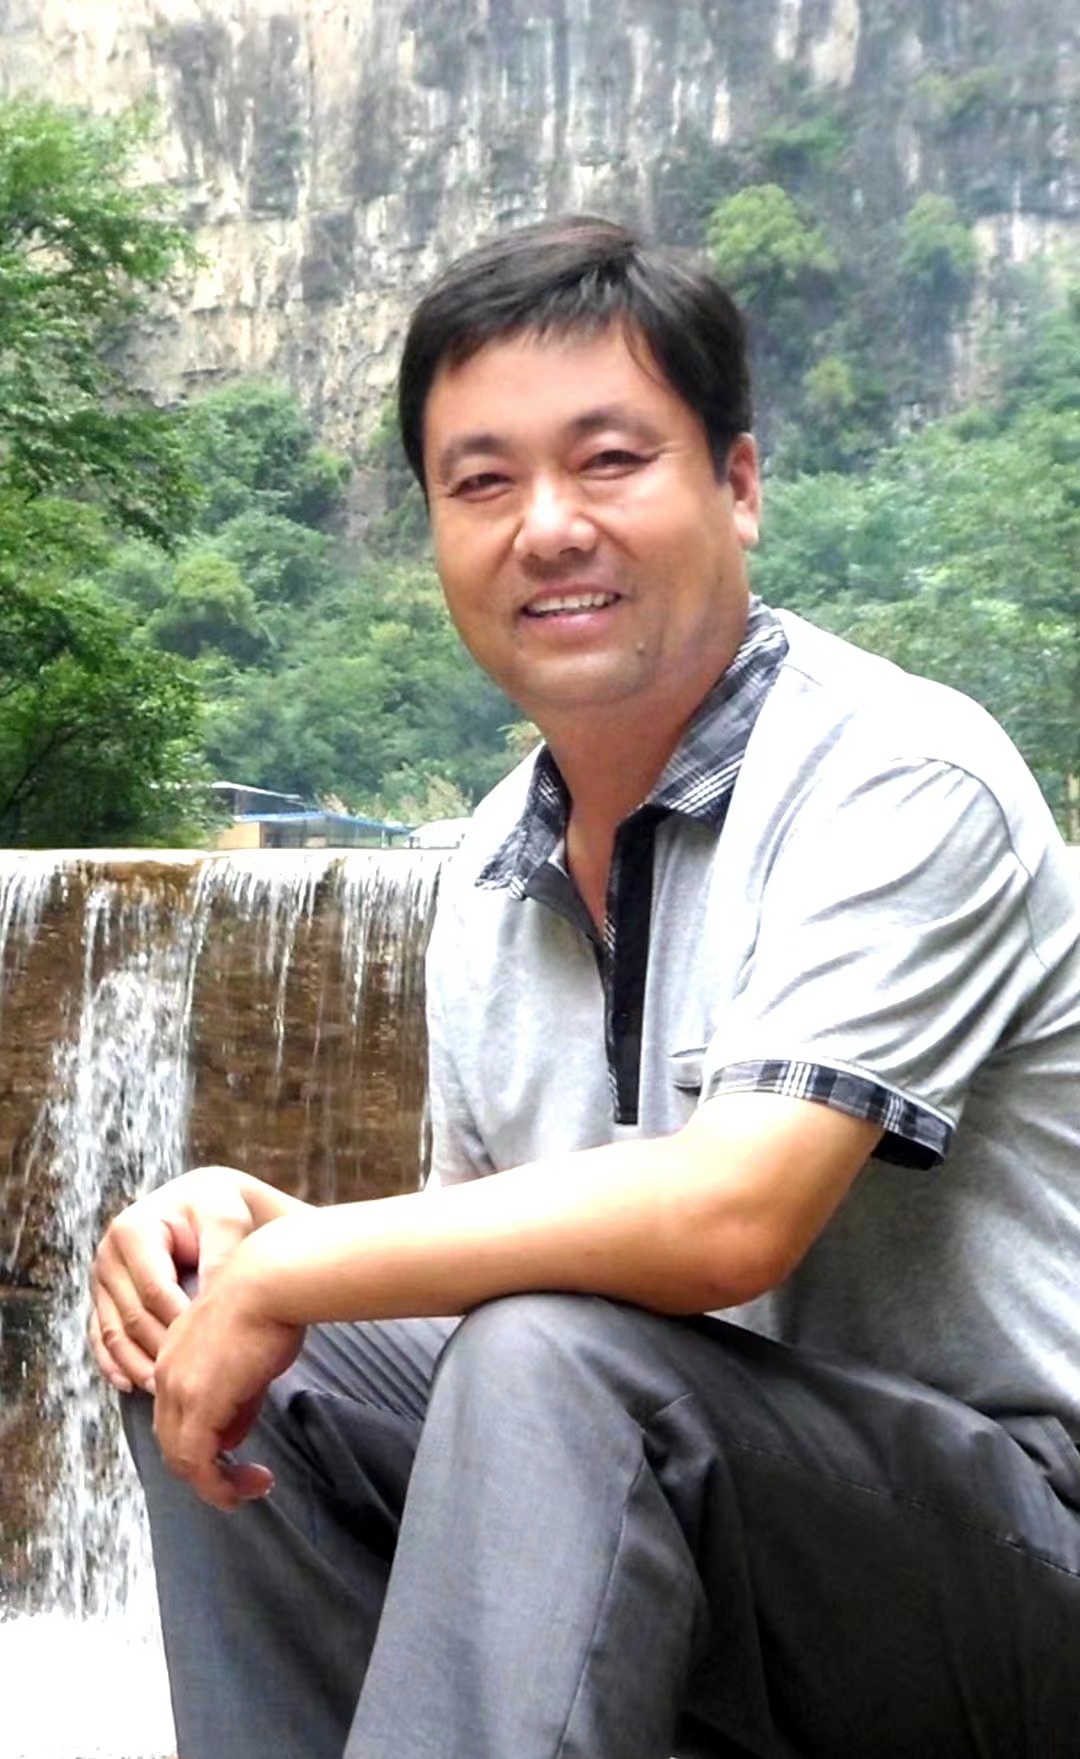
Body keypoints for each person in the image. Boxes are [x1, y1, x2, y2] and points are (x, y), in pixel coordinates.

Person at [91, 216, 1080, 1759]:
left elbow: (731, 1217)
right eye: (483, 483)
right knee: (240, 1343)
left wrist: (308, 1259)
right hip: (696, 1537)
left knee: (557, 1362)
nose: (548, 527)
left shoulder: (901, 775)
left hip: (1013, 1570)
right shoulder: (494, 863)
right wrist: (256, 1237)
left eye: (610, 461)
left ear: (738, 486)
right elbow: (476, 1287)